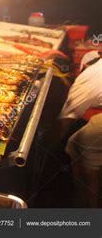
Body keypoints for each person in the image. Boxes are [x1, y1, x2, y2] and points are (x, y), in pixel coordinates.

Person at [59, 51, 102, 207]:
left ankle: (90, 207)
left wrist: (56, 144)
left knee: (78, 142)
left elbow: (67, 118)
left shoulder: (88, 80)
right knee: (72, 144)